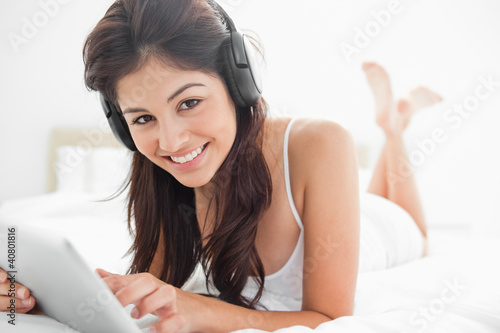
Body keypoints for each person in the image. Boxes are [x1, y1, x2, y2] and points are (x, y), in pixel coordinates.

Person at [0, 1, 442, 332]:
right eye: (143, 118)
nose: (171, 141)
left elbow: (327, 317)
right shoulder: (160, 173)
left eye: (189, 102)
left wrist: (193, 307)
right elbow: (147, 297)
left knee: (413, 227)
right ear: (122, 125)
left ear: (237, 83)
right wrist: (37, 298)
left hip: (381, 232)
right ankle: (395, 125)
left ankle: (393, 128)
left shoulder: (320, 141)